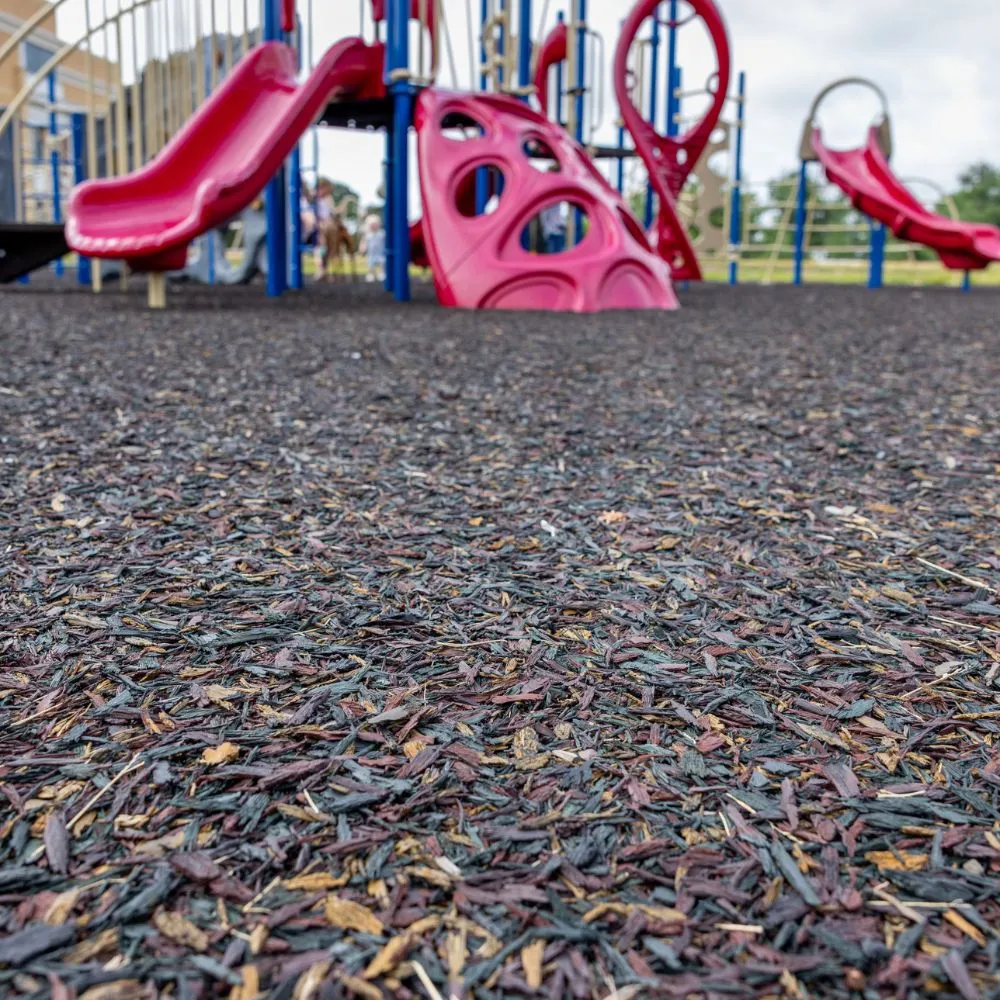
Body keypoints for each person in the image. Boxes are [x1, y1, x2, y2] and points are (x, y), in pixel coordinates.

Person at [359, 213, 386, 283]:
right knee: (370, 264)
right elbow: (364, 243)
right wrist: (363, 248)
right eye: (372, 225)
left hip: (380, 253)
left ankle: (382, 273)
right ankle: (371, 274)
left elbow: (386, 242)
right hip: (371, 254)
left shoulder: (382, 234)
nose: (374, 226)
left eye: (375, 224)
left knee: (382, 263)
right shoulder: (368, 235)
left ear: (379, 224)